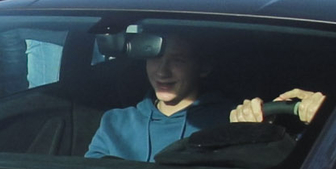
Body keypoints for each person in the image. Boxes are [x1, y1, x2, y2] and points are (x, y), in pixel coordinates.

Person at [83, 32, 309, 161]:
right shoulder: (114, 122)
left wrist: (257, 134)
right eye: (155, 58)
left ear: (203, 67)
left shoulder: (232, 121)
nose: (162, 72)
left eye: (177, 60)